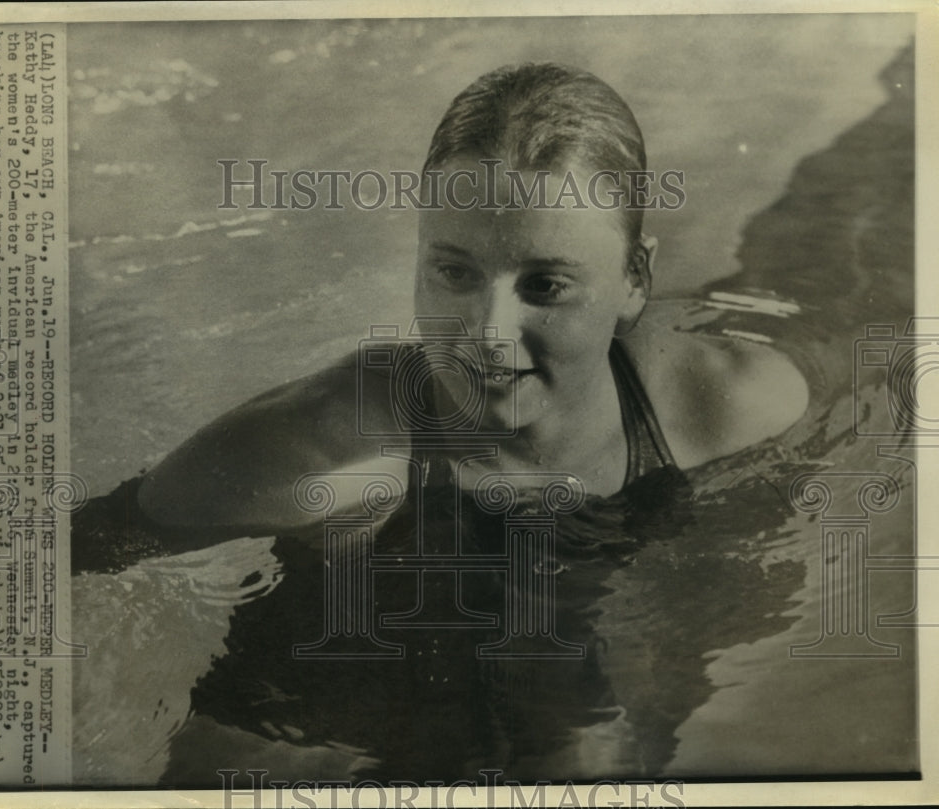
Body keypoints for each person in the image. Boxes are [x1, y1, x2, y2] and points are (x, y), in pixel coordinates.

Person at [134, 62, 809, 544]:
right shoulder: (329, 456)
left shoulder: (732, 404)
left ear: (634, 281)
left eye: (544, 286)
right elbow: (72, 556)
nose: (489, 332)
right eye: (456, 272)